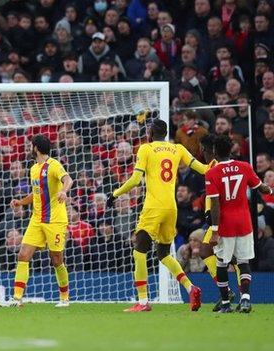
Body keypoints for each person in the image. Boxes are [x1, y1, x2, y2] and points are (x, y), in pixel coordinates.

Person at [106, 119, 206, 312]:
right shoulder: (177, 148)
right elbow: (201, 168)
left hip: (153, 208)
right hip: (171, 208)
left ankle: (143, 302)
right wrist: (218, 165)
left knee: (139, 252)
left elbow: (136, 179)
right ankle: (190, 287)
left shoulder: (146, 149)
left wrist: (115, 194)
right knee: (163, 254)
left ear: (151, 133)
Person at [0, 135, 73, 308]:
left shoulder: (54, 165)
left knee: (56, 260)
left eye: (30, 146)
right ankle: (17, 299)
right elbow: (36, 193)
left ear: (36, 148)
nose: (29, 148)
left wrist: (63, 191)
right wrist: (20, 202)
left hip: (55, 220)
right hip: (36, 219)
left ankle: (64, 298)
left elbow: (68, 180)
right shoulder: (33, 169)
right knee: (23, 255)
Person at [205, 135, 273, 313]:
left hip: (226, 225)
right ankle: (245, 300)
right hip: (244, 222)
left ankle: (226, 304)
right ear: (230, 150)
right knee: (243, 262)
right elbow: (262, 188)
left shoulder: (211, 173)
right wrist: (270, 189)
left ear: (214, 152)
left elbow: (215, 205)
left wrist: (214, 230)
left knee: (221, 263)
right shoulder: (244, 167)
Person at [197, 134, 241, 311]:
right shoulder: (210, 166)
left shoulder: (216, 166)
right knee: (206, 250)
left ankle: (241, 294)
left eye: (201, 147)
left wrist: (211, 212)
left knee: (235, 257)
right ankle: (230, 292)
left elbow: (217, 194)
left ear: (204, 148)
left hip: (223, 216)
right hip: (216, 217)